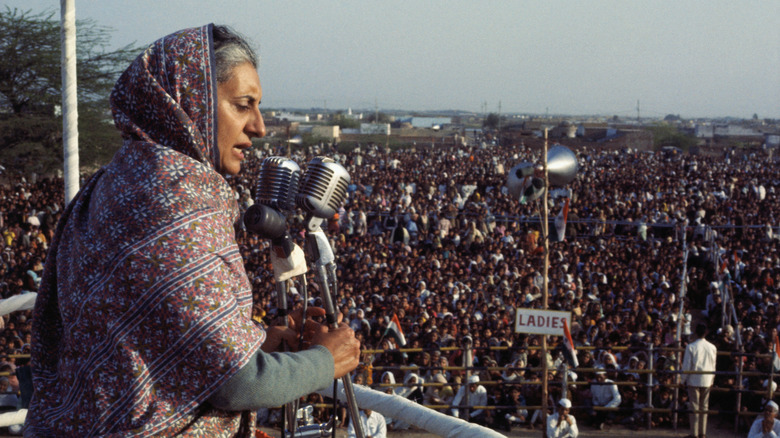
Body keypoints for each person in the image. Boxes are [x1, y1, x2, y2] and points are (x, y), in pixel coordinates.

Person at [26, 24, 360, 437]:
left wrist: (260, 342)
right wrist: (328, 360)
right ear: (191, 103)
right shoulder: (179, 200)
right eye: (243, 105)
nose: (258, 127)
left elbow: (142, 341)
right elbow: (241, 385)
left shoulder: (114, 181)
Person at [682, 323, 718, 438]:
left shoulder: (691, 347)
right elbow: (713, 365)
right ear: (706, 333)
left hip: (694, 379)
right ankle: (702, 433)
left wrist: (683, 380)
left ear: (696, 332)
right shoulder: (712, 347)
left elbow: (687, 365)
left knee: (694, 407)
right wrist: (712, 379)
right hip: (707, 379)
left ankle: (694, 433)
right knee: (704, 407)